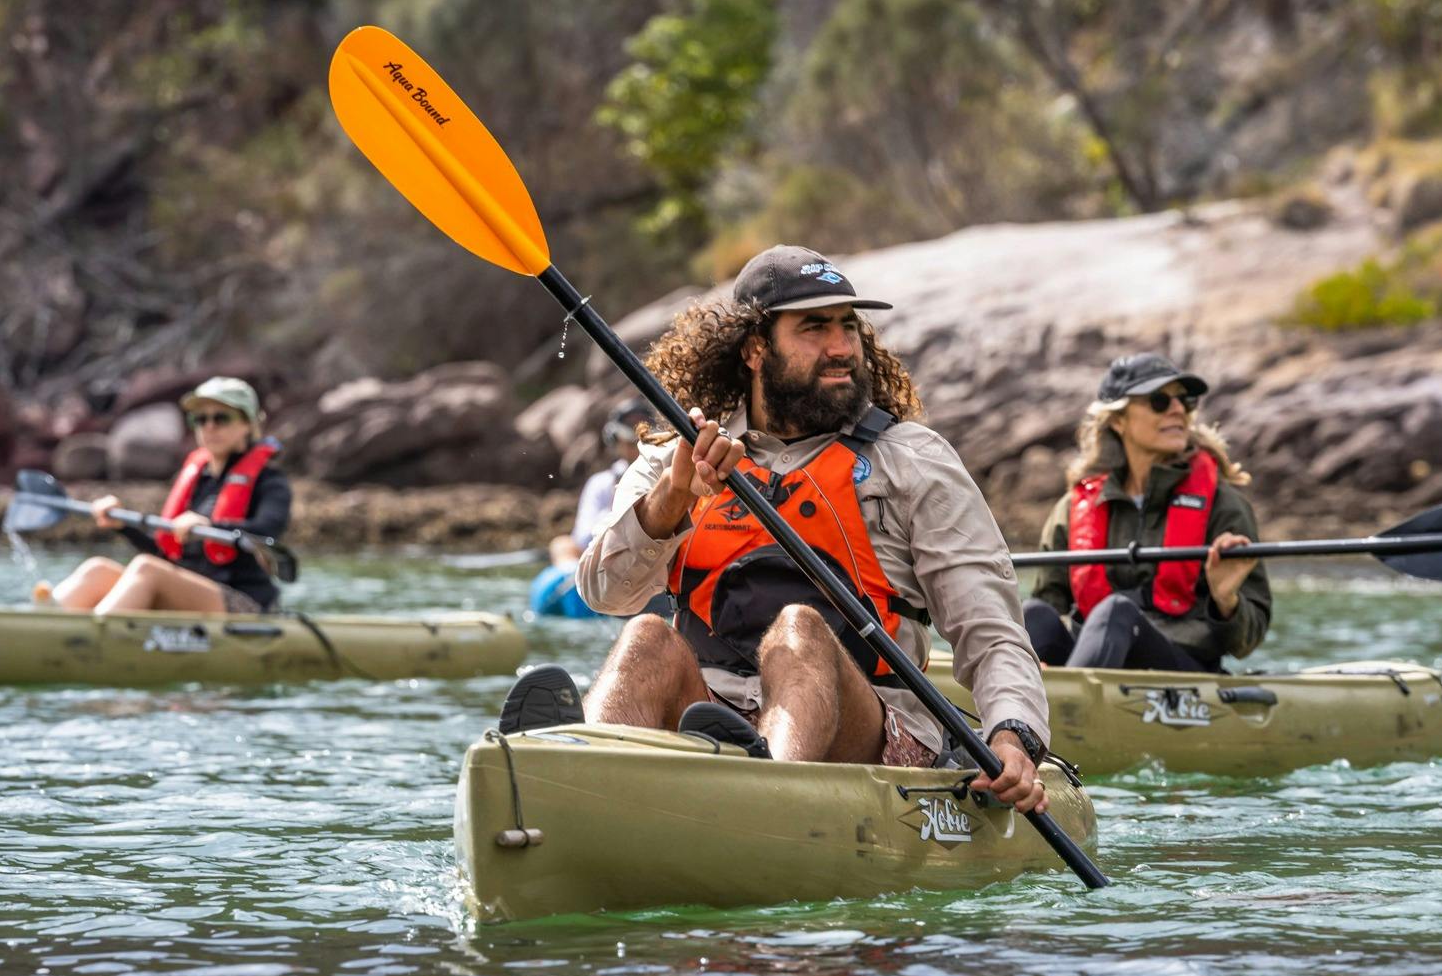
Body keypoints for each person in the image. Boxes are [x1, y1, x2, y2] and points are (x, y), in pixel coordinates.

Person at [499, 244, 1051, 814]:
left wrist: (1013, 736)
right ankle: (575, 787)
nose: (841, 348)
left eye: (847, 327)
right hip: (709, 708)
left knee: (800, 632)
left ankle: (766, 801)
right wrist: (672, 498)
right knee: (647, 640)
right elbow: (605, 594)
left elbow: (991, 630)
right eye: (814, 328)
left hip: (874, 734)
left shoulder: (912, 461)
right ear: (756, 349)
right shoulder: (679, 456)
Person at [1023, 353, 1269, 672]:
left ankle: (1060, 710)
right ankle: (1011, 707)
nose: (1178, 409)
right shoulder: (1071, 509)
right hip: (1095, 658)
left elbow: (1247, 642)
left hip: (1183, 674)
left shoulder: (1224, 506)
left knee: (1117, 613)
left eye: (1185, 400)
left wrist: (1226, 600)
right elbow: (1050, 603)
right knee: (1034, 614)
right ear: (1118, 420)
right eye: (1159, 401)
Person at [46, 377, 293, 615]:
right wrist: (122, 526)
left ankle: (88, 639)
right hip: (186, 592)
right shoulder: (196, 480)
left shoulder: (270, 482)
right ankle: (44, 619)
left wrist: (210, 525)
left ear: (247, 424)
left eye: (221, 418)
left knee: (147, 568)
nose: (209, 426)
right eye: (200, 419)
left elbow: (267, 531)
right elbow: (165, 550)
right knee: (97, 569)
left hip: (244, 602)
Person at [527, 399, 649, 619]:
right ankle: (578, 593)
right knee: (561, 545)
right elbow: (583, 538)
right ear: (615, 440)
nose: (635, 447)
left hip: (645, 564)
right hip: (606, 564)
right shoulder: (601, 483)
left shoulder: (664, 477)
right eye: (629, 441)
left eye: (641, 439)